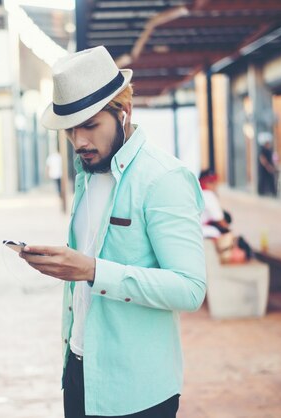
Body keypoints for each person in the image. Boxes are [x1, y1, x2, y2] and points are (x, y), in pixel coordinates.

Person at [17, 45, 206, 418]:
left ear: (124, 112)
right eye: (71, 129)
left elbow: (190, 289)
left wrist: (92, 270)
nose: (80, 141)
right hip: (78, 369)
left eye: (90, 125)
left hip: (138, 388)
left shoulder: (163, 179)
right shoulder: (87, 173)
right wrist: (61, 263)